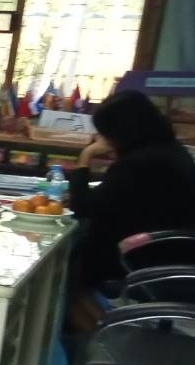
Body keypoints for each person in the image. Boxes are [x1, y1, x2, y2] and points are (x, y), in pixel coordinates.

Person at [68, 89, 195, 290]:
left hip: (140, 260)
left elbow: (83, 206)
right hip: (172, 255)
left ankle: (84, 305)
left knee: (70, 252)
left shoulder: (139, 162)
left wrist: (86, 156)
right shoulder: (170, 150)